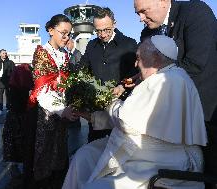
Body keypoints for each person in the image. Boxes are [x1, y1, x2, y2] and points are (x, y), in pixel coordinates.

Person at [63, 35, 208, 189]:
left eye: (138, 58)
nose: (135, 63)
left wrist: (108, 101)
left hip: (158, 159)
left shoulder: (167, 80)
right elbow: (136, 117)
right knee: (83, 156)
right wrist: (91, 116)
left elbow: (127, 123)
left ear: (155, 59)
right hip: (142, 149)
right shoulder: (164, 76)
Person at [134, 0, 217, 185]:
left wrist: (149, 84)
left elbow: (195, 64)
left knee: (209, 174)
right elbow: (149, 68)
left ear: (163, 1)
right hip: (171, 121)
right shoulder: (147, 32)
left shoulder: (195, 13)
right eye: (137, 13)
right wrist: (135, 79)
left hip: (205, 113)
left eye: (143, 11)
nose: (141, 18)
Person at [28, 14, 77, 189]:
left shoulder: (64, 54)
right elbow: (42, 90)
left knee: (60, 153)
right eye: (63, 33)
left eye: (69, 34)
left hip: (62, 112)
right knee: (45, 153)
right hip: (47, 113)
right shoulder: (42, 53)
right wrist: (61, 109)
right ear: (50, 30)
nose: (66, 37)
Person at [78, 7, 138, 142]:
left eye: (107, 30)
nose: (103, 34)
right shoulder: (91, 45)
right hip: (96, 109)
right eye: (98, 31)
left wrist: (124, 85)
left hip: (121, 108)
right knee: (94, 146)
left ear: (114, 24)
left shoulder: (129, 43)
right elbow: (82, 69)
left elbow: (136, 71)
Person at [2, 64, 34, 180]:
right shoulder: (26, 86)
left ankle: (14, 166)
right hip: (22, 118)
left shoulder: (13, 84)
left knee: (14, 143)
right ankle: (22, 167)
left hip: (13, 117)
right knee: (22, 142)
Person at [0, 49, 15, 114]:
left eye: (5, 53)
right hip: (0, 82)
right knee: (0, 96)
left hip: (8, 82)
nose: (5, 54)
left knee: (8, 96)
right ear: (0, 54)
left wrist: (10, 77)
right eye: (3, 53)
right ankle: (0, 109)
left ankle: (8, 108)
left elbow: (13, 71)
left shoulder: (10, 62)